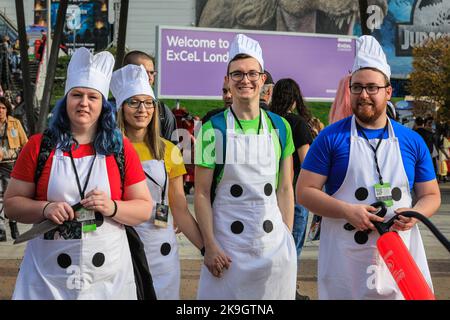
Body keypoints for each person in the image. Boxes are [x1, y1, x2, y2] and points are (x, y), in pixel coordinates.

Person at [297, 35, 440, 299]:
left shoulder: (412, 140)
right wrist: (346, 210)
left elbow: (431, 194)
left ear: (388, 91)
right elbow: (304, 192)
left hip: (400, 258)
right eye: (357, 87)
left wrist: (415, 211)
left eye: (372, 88)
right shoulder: (329, 138)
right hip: (346, 259)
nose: (364, 95)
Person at [4, 47, 153, 299]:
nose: (84, 103)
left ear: (103, 105)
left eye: (92, 97)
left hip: (108, 277)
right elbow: (11, 205)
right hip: (47, 278)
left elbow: (144, 208)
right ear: (66, 100)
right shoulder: (39, 146)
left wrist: (112, 207)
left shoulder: (120, 148)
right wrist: (45, 209)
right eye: (77, 95)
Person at [195, 34, 297, 299]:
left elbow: (285, 188)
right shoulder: (210, 129)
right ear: (227, 79)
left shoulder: (280, 126)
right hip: (227, 249)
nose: (245, 80)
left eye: (253, 73)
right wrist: (210, 246)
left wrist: (285, 237)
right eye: (237, 74)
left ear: (263, 80)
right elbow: (203, 194)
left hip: (272, 246)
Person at [111, 64, 203, 299]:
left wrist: (206, 248)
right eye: (134, 102)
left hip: (162, 248)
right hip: (122, 244)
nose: (142, 109)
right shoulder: (109, 150)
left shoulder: (170, 150)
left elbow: (180, 209)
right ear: (122, 108)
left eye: (148, 102)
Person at [269, 78, 313, 300]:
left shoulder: (268, 121)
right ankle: (288, 292)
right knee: (292, 246)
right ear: (295, 101)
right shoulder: (297, 124)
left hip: (269, 193)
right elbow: (307, 162)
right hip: (293, 194)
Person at [122, 51, 178, 144]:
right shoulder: (109, 109)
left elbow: (173, 150)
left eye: (151, 73)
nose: (149, 77)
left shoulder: (163, 112)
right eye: (143, 72)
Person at [0, 96, 28, 241]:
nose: (0, 111)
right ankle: (1, 229)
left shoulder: (14, 123)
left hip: (10, 163)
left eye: (3, 108)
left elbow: (25, 143)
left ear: (7, 109)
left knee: (8, 196)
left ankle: (13, 224)